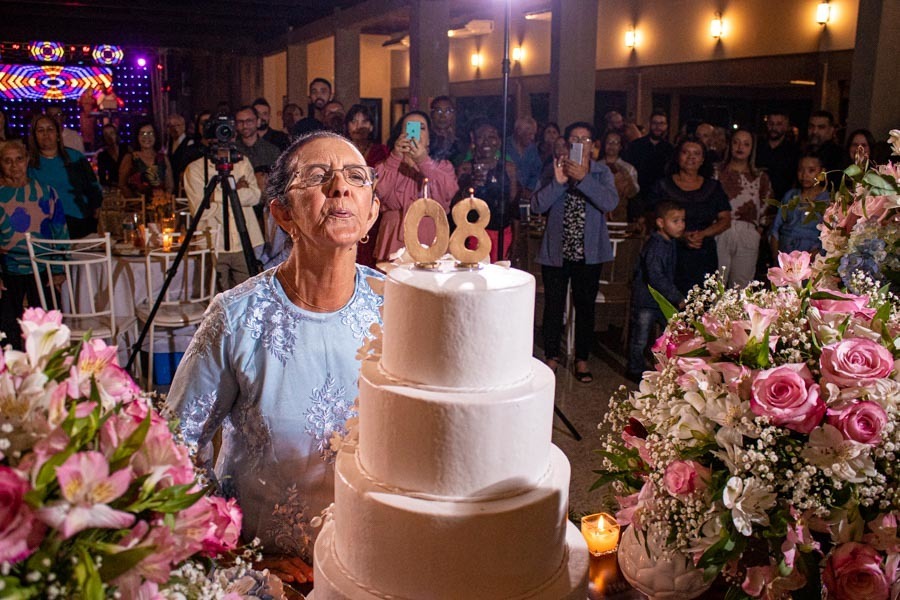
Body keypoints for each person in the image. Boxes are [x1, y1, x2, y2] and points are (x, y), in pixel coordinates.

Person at [166, 130, 382, 587]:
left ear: (372, 212)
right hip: (267, 567)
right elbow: (175, 452)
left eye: (355, 177)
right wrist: (236, 556)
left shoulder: (398, 308)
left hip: (371, 563)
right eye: (319, 176)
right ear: (283, 213)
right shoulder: (236, 317)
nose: (340, 187)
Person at [531, 121, 618, 384]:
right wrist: (558, 183)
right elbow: (537, 205)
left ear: (593, 146)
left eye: (585, 139)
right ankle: (552, 356)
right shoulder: (553, 169)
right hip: (557, 251)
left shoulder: (602, 173)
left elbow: (610, 202)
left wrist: (583, 179)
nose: (579, 143)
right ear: (566, 144)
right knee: (554, 307)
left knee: (585, 307)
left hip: (589, 252)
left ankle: (582, 359)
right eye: (573, 139)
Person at [0, 140, 69, 349]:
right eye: (7, 161)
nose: (14, 166)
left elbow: (60, 232)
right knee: (10, 330)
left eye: (19, 159)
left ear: (27, 160)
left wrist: (58, 269)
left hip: (43, 268)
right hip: (8, 269)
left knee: (47, 330)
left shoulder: (46, 192)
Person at [648, 136, 731, 295]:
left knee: (702, 304)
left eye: (696, 154)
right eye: (686, 152)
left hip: (703, 253)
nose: (691, 157)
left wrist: (702, 234)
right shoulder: (662, 185)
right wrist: (680, 236)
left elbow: (726, 220)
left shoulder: (712, 187)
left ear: (702, 159)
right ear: (678, 156)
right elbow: (651, 217)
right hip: (671, 251)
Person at [183, 129, 264, 291]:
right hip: (213, 243)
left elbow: (255, 196)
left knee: (246, 299)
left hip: (245, 241)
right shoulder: (196, 170)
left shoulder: (242, 162)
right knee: (216, 303)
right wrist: (235, 191)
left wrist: (214, 195)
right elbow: (202, 211)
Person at [373, 110, 458, 262]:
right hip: (394, 239)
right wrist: (395, 157)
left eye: (422, 128)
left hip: (430, 235)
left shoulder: (443, 167)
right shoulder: (386, 166)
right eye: (410, 127)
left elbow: (445, 194)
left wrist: (423, 160)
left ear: (430, 138)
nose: (415, 132)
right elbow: (378, 192)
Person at [625, 201, 685, 382]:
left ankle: (664, 366)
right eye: (675, 221)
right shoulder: (656, 246)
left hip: (660, 301)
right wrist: (677, 297)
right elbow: (656, 276)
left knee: (666, 336)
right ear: (660, 223)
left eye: (683, 220)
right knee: (640, 338)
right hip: (646, 301)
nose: (681, 225)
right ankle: (635, 369)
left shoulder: (670, 243)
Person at [713, 128, 773, 288]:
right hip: (720, 229)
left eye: (746, 144)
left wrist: (758, 231)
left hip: (748, 231)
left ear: (751, 148)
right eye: (736, 142)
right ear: (730, 145)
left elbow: (767, 206)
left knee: (741, 287)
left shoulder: (760, 177)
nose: (740, 147)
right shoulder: (717, 172)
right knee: (715, 284)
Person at [27, 114, 102, 238]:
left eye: (50, 129)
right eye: (40, 130)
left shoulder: (75, 157)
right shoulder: (28, 163)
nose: (46, 134)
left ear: (58, 134)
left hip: (78, 219)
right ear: (34, 136)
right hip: (43, 223)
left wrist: (96, 209)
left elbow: (93, 186)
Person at [454, 118, 518, 262]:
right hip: (473, 233)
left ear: (499, 141)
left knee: (499, 278)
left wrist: (516, 239)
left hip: (502, 233)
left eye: (492, 136)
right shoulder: (465, 169)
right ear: (474, 141)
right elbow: (455, 206)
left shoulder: (508, 168)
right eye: (481, 137)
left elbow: (513, 206)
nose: (487, 141)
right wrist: (470, 186)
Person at [344, 104, 389, 268]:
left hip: (372, 213)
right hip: (347, 208)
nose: (359, 126)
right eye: (354, 121)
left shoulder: (381, 151)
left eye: (364, 121)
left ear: (371, 126)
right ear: (347, 125)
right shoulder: (342, 150)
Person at [770, 154, 829, 255]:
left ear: (822, 172)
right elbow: (775, 230)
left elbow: (828, 240)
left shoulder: (827, 201)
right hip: (784, 257)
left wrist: (808, 261)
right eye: (800, 170)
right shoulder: (790, 196)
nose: (804, 175)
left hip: (811, 260)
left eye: (811, 170)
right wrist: (777, 258)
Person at [622, 108, 674, 222]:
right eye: (655, 123)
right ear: (649, 124)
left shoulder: (671, 150)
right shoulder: (635, 146)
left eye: (661, 123)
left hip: (662, 198)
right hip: (638, 197)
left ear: (666, 126)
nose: (658, 127)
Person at [756, 110, 800, 204]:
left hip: (782, 202)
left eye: (779, 124)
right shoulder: (757, 147)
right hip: (756, 199)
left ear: (786, 126)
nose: (774, 128)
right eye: (771, 123)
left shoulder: (793, 151)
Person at [119, 122, 174, 197]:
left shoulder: (163, 158)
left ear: (155, 136)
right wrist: (134, 202)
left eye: (150, 133)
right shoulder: (130, 158)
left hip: (159, 205)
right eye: (142, 134)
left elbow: (169, 186)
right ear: (137, 137)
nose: (147, 137)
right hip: (136, 206)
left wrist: (165, 199)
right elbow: (122, 185)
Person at [599, 130, 639, 223]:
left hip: (621, 214)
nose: (612, 145)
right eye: (609, 142)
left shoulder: (629, 168)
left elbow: (633, 193)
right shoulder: (596, 166)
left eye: (616, 142)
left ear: (621, 146)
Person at [506, 116, 543, 202]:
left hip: (525, 196)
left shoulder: (532, 149)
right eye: (530, 134)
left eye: (534, 134)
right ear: (519, 132)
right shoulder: (504, 146)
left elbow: (537, 171)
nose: (533, 137)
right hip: (506, 195)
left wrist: (529, 188)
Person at [234, 105, 281, 171]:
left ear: (258, 122)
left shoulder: (272, 151)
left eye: (249, 121)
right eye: (240, 122)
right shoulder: (232, 150)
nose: (244, 125)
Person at [806, 110, 843, 188]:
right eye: (811, 127)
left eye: (821, 127)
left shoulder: (839, 156)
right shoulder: (802, 152)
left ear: (831, 130)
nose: (815, 131)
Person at [429, 96, 466, 165]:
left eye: (448, 111)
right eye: (438, 111)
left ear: (453, 115)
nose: (443, 116)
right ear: (431, 114)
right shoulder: (425, 140)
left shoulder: (461, 141)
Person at [166, 114, 195, 192]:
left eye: (177, 125)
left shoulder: (190, 142)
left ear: (183, 126)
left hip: (184, 182)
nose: (174, 129)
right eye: (170, 126)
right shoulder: (168, 143)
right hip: (171, 181)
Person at [96, 124, 129, 188]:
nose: (109, 137)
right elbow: (102, 179)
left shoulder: (126, 149)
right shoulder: (102, 156)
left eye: (111, 133)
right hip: (114, 188)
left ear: (116, 134)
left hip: (129, 186)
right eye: (106, 134)